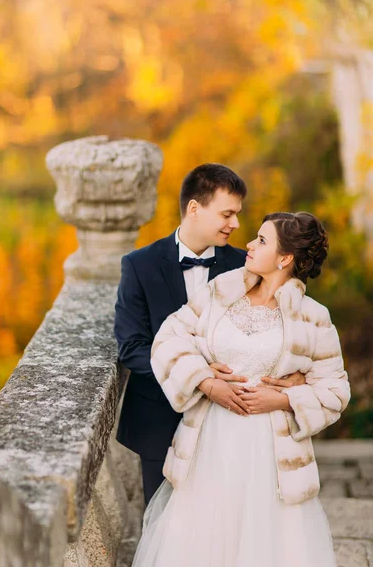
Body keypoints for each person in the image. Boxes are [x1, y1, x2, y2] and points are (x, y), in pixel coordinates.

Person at [132, 211, 351, 567]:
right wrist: (205, 381)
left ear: (285, 258)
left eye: (262, 241)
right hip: (209, 444)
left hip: (272, 455)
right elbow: (169, 338)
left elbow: (336, 391)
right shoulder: (221, 291)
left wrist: (282, 398)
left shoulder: (314, 317)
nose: (248, 244)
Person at [114, 164, 305, 505]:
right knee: (164, 533)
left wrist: (295, 376)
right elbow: (132, 348)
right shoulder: (138, 265)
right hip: (159, 419)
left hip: (230, 423)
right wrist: (200, 378)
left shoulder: (249, 265)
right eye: (227, 214)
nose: (235, 224)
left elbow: (285, 328)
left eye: (237, 214)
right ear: (194, 209)